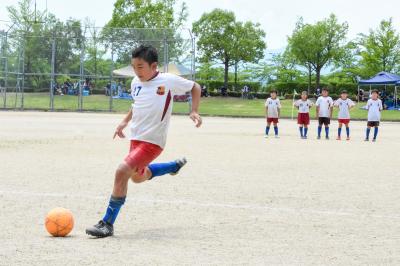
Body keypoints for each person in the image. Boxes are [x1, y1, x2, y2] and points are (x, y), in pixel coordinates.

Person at [85, 45, 202, 238]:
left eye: (140, 67)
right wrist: (124, 121)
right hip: (136, 138)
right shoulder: (135, 83)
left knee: (122, 171)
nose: (136, 71)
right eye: (134, 67)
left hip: (153, 141)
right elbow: (137, 104)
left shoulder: (168, 80)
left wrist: (194, 110)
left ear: (154, 66)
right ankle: (172, 167)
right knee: (137, 177)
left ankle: (107, 223)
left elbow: (195, 87)